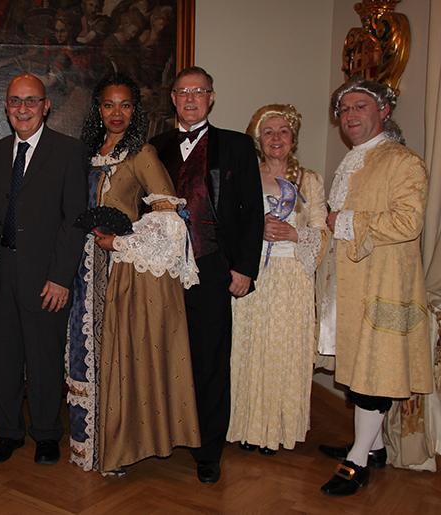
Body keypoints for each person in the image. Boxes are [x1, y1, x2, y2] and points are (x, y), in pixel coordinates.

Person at [66, 73, 200, 474]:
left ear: (134, 110)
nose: (116, 113)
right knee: (83, 354)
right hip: (81, 268)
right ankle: (86, 448)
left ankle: (115, 449)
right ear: (98, 109)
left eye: (125, 105)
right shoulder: (86, 153)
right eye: (109, 105)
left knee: (114, 355)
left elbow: (169, 213)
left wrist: (121, 242)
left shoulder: (140, 153)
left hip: (119, 272)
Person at [316, 79, 432, 496]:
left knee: (373, 373)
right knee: (360, 367)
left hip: (383, 283)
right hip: (350, 283)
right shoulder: (353, 160)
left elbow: (408, 223)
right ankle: (374, 447)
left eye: (360, 106)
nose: (350, 115)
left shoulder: (404, 161)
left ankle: (357, 461)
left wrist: (345, 221)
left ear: (383, 111)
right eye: (344, 109)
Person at [150, 66, 263, 483]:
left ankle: (208, 451)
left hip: (213, 266)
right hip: (161, 270)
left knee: (210, 360)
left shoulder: (236, 146)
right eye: (183, 92)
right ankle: (164, 435)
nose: (191, 98)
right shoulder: (155, 147)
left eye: (199, 91)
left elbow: (252, 210)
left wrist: (244, 267)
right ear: (173, 98)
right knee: (164, 355)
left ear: (211, 97)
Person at [0, 74, 87, 465]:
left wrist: (61, 277)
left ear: (46, 106)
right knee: (3, 358)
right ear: (6, 106)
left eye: (31, 101)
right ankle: (7, 431)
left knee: (44, 358)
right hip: (0, 275)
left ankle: (45, 433)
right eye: (15, 101)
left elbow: (74, 220)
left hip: (46, 277)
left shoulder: (68, 151)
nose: (22, 109)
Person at [226, 104, 328, 455]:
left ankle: (276, 430)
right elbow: (230, 227)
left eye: (283, 131)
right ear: (258, 139)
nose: (276, 138)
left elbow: (323, 233)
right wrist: (255, 230)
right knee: (249, 350)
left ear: (293, 137)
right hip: (253, 274)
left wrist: (294, 233)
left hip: (292, 278)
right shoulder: (245, 177)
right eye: (268, 132)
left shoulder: (310, 180)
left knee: (281, 354)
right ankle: (246, 426)